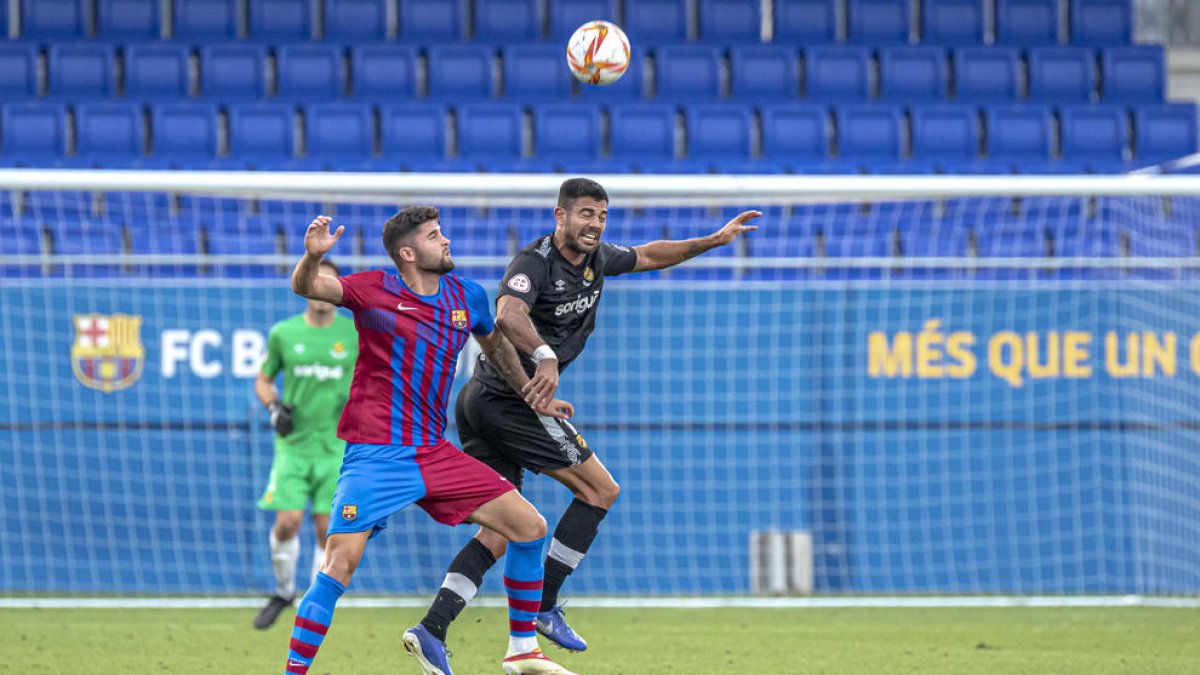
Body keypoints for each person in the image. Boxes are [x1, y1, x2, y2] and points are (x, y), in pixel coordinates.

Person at [416, 177, 760, 653]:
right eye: (585, 214)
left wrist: (713, 240)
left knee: (502, 528)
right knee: (600, 489)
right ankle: (544, 605)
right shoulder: (533, 262)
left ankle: (432, 628)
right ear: (560, 216)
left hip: (481, 401)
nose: (595, 224)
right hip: (513, 399)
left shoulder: (598, 259)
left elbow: (652, 254)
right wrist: (546, 355)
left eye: (601, 215)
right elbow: (509, 312)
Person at [283, 208, 578, 675]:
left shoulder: (467, 297)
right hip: (376, 455)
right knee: (339, 565)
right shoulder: (374, 289)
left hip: (434, 452)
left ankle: (522, 649)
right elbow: (309, 286)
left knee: (529, 526)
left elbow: (496, 345)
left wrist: (529, 392)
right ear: (408, 253)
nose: (446, 241)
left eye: (442, 232)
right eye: (434, 236)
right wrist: (310, 257)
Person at [253, 259, 358, 630]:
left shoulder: (354, 332)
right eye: (316, 277)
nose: (322, 287)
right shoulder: (284, 333)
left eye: (329, 279)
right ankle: (284, 591)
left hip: (336, 447)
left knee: (324, 528)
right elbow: (263, 380)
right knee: (287, 522)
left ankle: (312, 606)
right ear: (305, 284)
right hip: (294, 446)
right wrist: (273, 407)